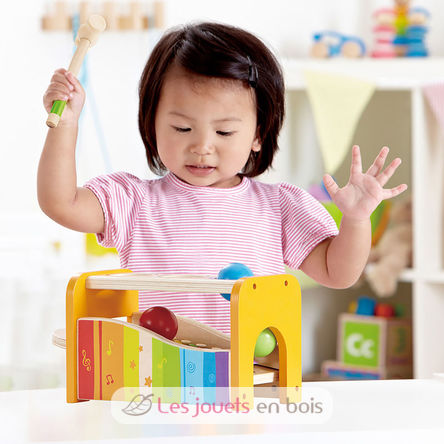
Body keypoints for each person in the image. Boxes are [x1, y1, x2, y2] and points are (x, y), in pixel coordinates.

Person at [38, 22, 407, 334]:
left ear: (259, 134)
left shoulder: (279, 206)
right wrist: (66, 125)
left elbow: (338, 273)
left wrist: (356, 220)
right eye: (182, 128)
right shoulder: (132, 201)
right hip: (156, 378)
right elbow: (61, 203)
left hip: (251, 377)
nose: (202, 146)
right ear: (152, 124)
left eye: (224, 132)